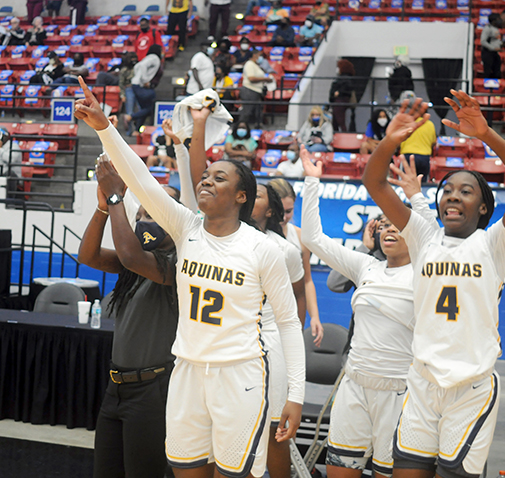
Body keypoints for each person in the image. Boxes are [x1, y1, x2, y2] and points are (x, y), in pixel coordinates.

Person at [75, 77, 306, 478]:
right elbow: (140, 178)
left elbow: (287, 322)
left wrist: (296, 395)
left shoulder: (263, 248)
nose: (205, 180)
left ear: (240, 197)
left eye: (219, 178)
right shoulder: (186, 228)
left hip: (241, 374)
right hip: (185, 371)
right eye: (205, 176)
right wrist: (104, 128)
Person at [362, 90, 505, 478]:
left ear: (483, 207)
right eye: (447, 189)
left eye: (466, 191)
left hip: (471, 386)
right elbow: (374, 182)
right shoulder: (422, 236)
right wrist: (390, 140)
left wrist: (487, 135)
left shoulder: (493, 242)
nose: (453, 196)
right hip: (423, 382)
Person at [301, 148, 422, 478]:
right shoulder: (366, 266)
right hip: (353, 386)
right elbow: (312, 237)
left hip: (401, 391)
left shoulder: (428, 272)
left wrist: (417, 198)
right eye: (384, 224)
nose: (390, 229)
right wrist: (312, 181)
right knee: (339, 470)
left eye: (400, 224)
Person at [78, 156, 179, 478]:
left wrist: (116, 197)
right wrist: (103, 208)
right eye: (141, 214)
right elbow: (88, 255)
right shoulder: (132, 263)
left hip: (153, 389)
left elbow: (130, 254)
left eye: (153, 214)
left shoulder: (177, 265)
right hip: (116, 387)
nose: (143, 220)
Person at [251, 183, 306, 478]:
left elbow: (299, 296)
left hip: (271, 344)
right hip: (233, 343)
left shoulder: (285, 249)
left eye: (257, 195)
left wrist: (290, 344)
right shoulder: (221, 238)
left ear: (271, 210)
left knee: (274, 429)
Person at [269, 177, 324, 346]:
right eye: (280, 211)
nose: (284, 217)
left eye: (289, 211)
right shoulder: (254, 234)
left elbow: (306, 280)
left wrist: (314, 316)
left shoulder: (299, 237)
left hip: (288, 313)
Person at [398, 91, 436, 181]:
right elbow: (433, 143)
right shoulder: (430, 124)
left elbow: (398, 140)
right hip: (424, 157)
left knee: (405, 185)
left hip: (408, 156)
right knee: (422, 186)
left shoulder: (406, 122)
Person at [124, 45, 162, 134]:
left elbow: (137, 66)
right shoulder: (154, 58)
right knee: (151, 106)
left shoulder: (148, 57)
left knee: (145, 109)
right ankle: (130, 117)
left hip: (135, 85)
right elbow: (142, 66)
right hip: (140, 86)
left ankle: (136, 130)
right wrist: (145, 80)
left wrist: (138, 77)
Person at [240, 48, 272, 128]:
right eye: (260, 55)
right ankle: (240, 128)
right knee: (247, 112)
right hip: (249, 90)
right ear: (254, 55)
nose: (261, 57)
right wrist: (265, 79)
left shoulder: (256, 65)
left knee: (258, 112)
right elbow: (251, 78)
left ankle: (258, 127)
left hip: (257, 91)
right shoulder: (249, 64)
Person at [329, 59, 356, 132]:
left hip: (340, 101)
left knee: (340, 120)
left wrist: (339, 92)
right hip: (338, 101)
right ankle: (336, 133)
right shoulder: (341, 78)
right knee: (335, 120)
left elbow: (346, 90)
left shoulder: (346, 79)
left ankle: (344, 134)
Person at [481, 13, 503, 79]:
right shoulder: (487, 29)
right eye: (498, 19)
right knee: (488, 71)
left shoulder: (496, 28)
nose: (500, 21)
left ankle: (496, 88)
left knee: (497, 71)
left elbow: (495, 40)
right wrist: (493, 48)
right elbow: (483, 41)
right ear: (493, 21)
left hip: (495, 53)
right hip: (488, 53)